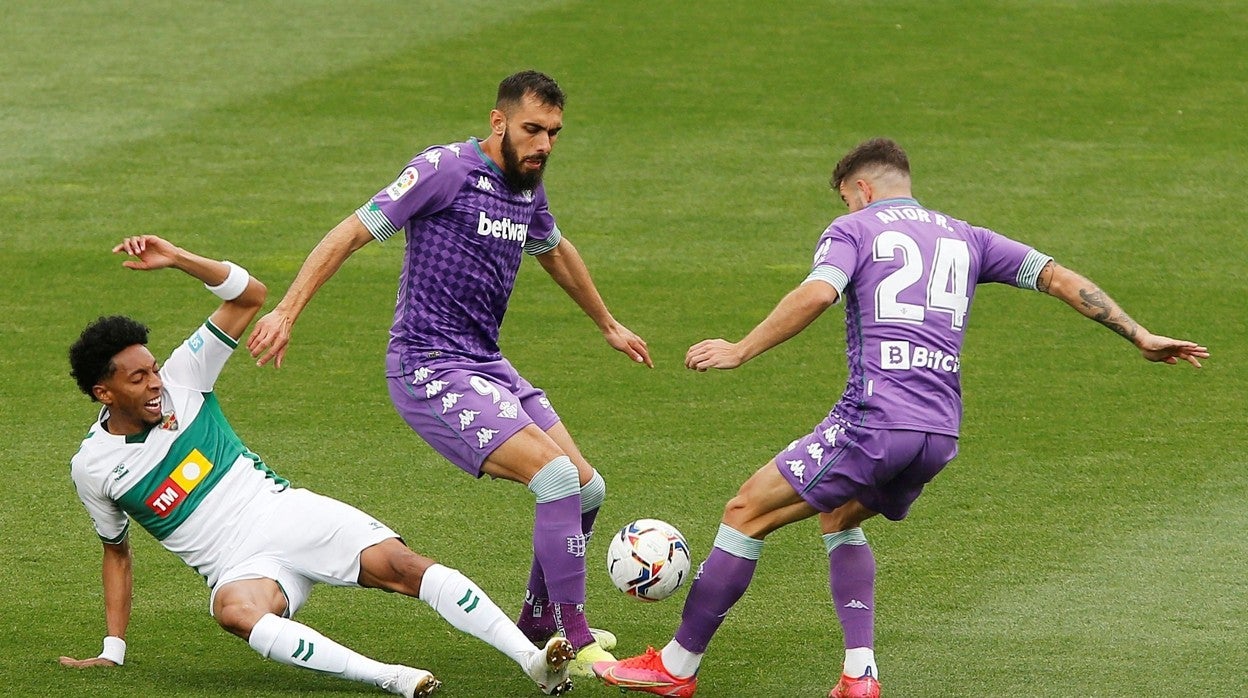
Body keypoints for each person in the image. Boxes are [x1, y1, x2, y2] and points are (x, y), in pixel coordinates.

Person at [594, 138, 1209, 698]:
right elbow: (1057, 276)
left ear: (860, 190)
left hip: (874, 423)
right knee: (837, 516)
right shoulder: (968, 237)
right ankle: (860, 675)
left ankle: (676, 667)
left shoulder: (853, 229)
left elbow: (816, 292)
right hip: (939, 434)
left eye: (845, 197)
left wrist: (740, 349)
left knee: (744, 512)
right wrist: (1138, 334)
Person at [246, 70, 651, 676]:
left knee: (587, 489)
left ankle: (541, 620)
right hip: (428, 365)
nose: (544, 144)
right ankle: (577, 636)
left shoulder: (525, 184)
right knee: (556, 479)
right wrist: (285, 309)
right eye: (532, 129)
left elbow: (555, 249)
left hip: (484, 362)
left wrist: (608, 324)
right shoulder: (444, 171)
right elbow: (353, 231)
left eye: (554, 133)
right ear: (498, 122)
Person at [62, 235, 580, 697]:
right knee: (233, 612)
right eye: (137, 379)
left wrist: (178, 259)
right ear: (103, 393)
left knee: (403, 567)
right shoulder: (95, 467)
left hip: (285, 513)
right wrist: (114, 647)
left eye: (153, 369)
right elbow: (117, 553)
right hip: (236, 567)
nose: (155, 383)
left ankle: (533, 661)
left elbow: (249, 295)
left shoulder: (184, 378)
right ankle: (392, 677)